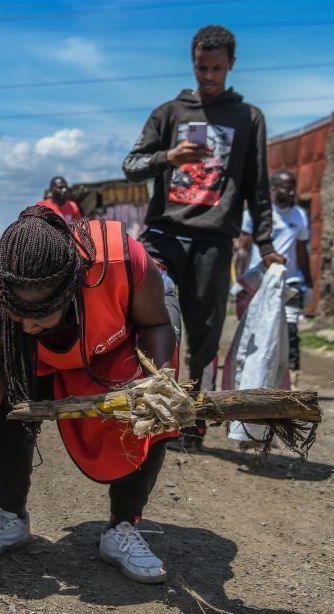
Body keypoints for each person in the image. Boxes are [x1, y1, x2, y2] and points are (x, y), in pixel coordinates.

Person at [0, 206, 184, 583]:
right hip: (54, 353)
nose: (31, 327)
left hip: (122, 338)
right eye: (22, 318)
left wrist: (159, 385)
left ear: (69, 290)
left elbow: (156, 324)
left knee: (151, 404)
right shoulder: (5, 323)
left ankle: (123, 526)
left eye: (40, 317)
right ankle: (11, 516)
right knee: (7, 397)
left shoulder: (120, 261)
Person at [123, 24, 284, 451]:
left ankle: (190, 420)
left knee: (206, 332)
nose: (207, 75)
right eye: (201, 67)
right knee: (152, 320)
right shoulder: (170, 113)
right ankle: (149, 410)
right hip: (164, 236)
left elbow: (258, 187)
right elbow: (131, 165)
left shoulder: (248, 118)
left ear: (231, 65)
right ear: (192, 63)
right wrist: (168, 156)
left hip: (213, 240)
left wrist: (266, 246)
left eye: (216, 68)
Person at [235, 169, 312, 383]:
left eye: (292, 187)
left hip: (290, 281)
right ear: (273, 188)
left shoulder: (299, 215)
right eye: (285, 187)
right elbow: (243, 249)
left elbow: (301, 251)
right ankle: (253, 377)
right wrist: (240, 282)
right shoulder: (256, 215)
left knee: (290, 329)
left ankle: (292, 379)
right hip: (261, 281)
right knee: (258, 330)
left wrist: (310, 283)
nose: (290, 192)